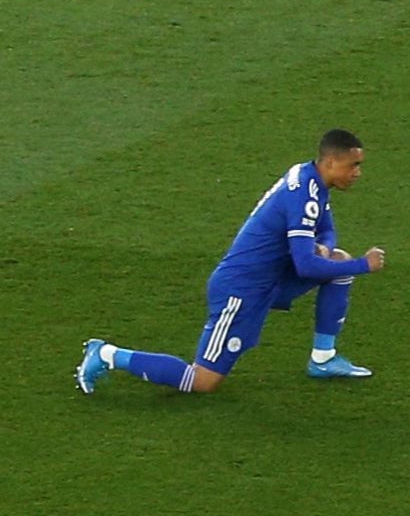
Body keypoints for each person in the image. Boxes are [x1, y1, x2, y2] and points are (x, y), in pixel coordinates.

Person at [77, 135, 383, 395]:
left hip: (270, 278)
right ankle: (106, 354)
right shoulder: (303, 194)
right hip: (242, 290)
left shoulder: (311, 180)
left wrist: (325, 248)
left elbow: (327, 231)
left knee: (338, 260)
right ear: (331, 162)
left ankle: (323, 358)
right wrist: (362, 265)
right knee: (202, 380)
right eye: (353, 165)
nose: (358, 172)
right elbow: (305, 267)